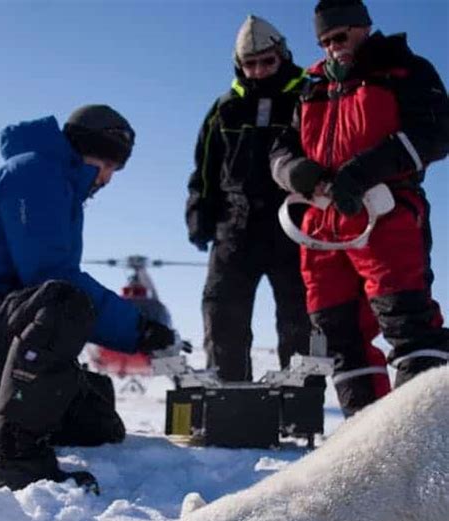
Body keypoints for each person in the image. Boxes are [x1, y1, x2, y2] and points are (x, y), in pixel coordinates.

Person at [0, 104, 177, 492]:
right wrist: (138, 329)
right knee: (64, 303)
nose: (110, 179)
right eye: (113, 167)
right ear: (97, 151)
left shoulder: (60, 185)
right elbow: (51, 277)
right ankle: (17, 459)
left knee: (98, 420)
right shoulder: (35, 173)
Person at [271, 0, 449, 416]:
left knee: (407, 324)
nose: (334, 48)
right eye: (325, 41)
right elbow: (281, 148)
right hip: (320, 222)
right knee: (337, 333)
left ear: (363, 27)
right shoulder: (311, 84)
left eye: (340, 36)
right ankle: (364, 437)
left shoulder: (403, 68)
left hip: (383, 212)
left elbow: (437, 131)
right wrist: (293, 170)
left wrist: (368, 168)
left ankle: (421, 433)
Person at [186, 16, 313, 381]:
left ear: (282, 56)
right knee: (222, 311)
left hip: (293, 225)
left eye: (266, 62)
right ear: (239, 65)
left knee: (299, 319)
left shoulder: (306, 98)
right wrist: (199, 215)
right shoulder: (225, 109)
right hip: (235, 227)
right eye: (250, 64)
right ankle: (228, 400)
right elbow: (204, 171)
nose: (258, 71)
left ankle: (297, 408)